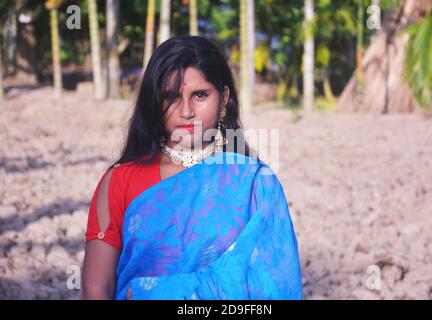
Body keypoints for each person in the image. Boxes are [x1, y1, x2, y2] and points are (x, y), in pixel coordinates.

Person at [81, 35, 302, 300]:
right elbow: (96, 289)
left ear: (223, 98)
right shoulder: (120, 181)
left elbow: (275, 284)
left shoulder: (253, 183)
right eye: (171, 97)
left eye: (200, 95)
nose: (186, 111)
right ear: (154, 102)